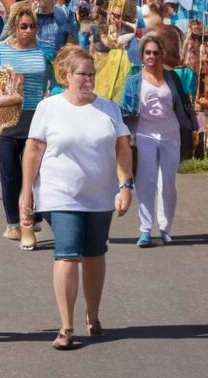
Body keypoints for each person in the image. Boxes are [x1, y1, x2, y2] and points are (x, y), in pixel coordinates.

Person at [19, 48, 133, 350]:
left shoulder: (109, 108)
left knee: (95, 254)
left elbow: (123, 147)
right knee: (67, 253)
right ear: (67, 76)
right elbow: (33, 150)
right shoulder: (49, 107)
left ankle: (92, 315)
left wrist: (125, 185)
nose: (88, 80)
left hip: (99, 194)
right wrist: (25, 191)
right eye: (82, 74)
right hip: (60, 193)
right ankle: (66, 326)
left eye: (92, 74)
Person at [0, 2, 51, 248]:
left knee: (34, 173)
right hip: (6, 118)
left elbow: (59, 80)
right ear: (14, 26)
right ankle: (13, 221)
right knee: (10, 173)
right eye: (24, 26)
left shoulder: (46, 50)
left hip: (36, 116)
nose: (29, 31)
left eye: (33, 26)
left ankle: (32, 216)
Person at [120, 32, 197, 246]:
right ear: (142, 55)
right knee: (146, 181)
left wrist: (193, 126)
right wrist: (125, 134)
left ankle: (165, 227)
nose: (151, 56)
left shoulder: (172, 78)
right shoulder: (134, 80)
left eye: (155, 52)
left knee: (167, 183)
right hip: (144, 134)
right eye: (147, 53)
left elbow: (184, 103)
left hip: (170, 134)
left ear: (162, 54)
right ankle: (145, 229)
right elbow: (124, 109)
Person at [29, 0, 78, 79]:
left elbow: (71, 40)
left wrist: (63, 61)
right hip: (32, 67)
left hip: (56, 70)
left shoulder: (63, 13)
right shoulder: (27, 15)